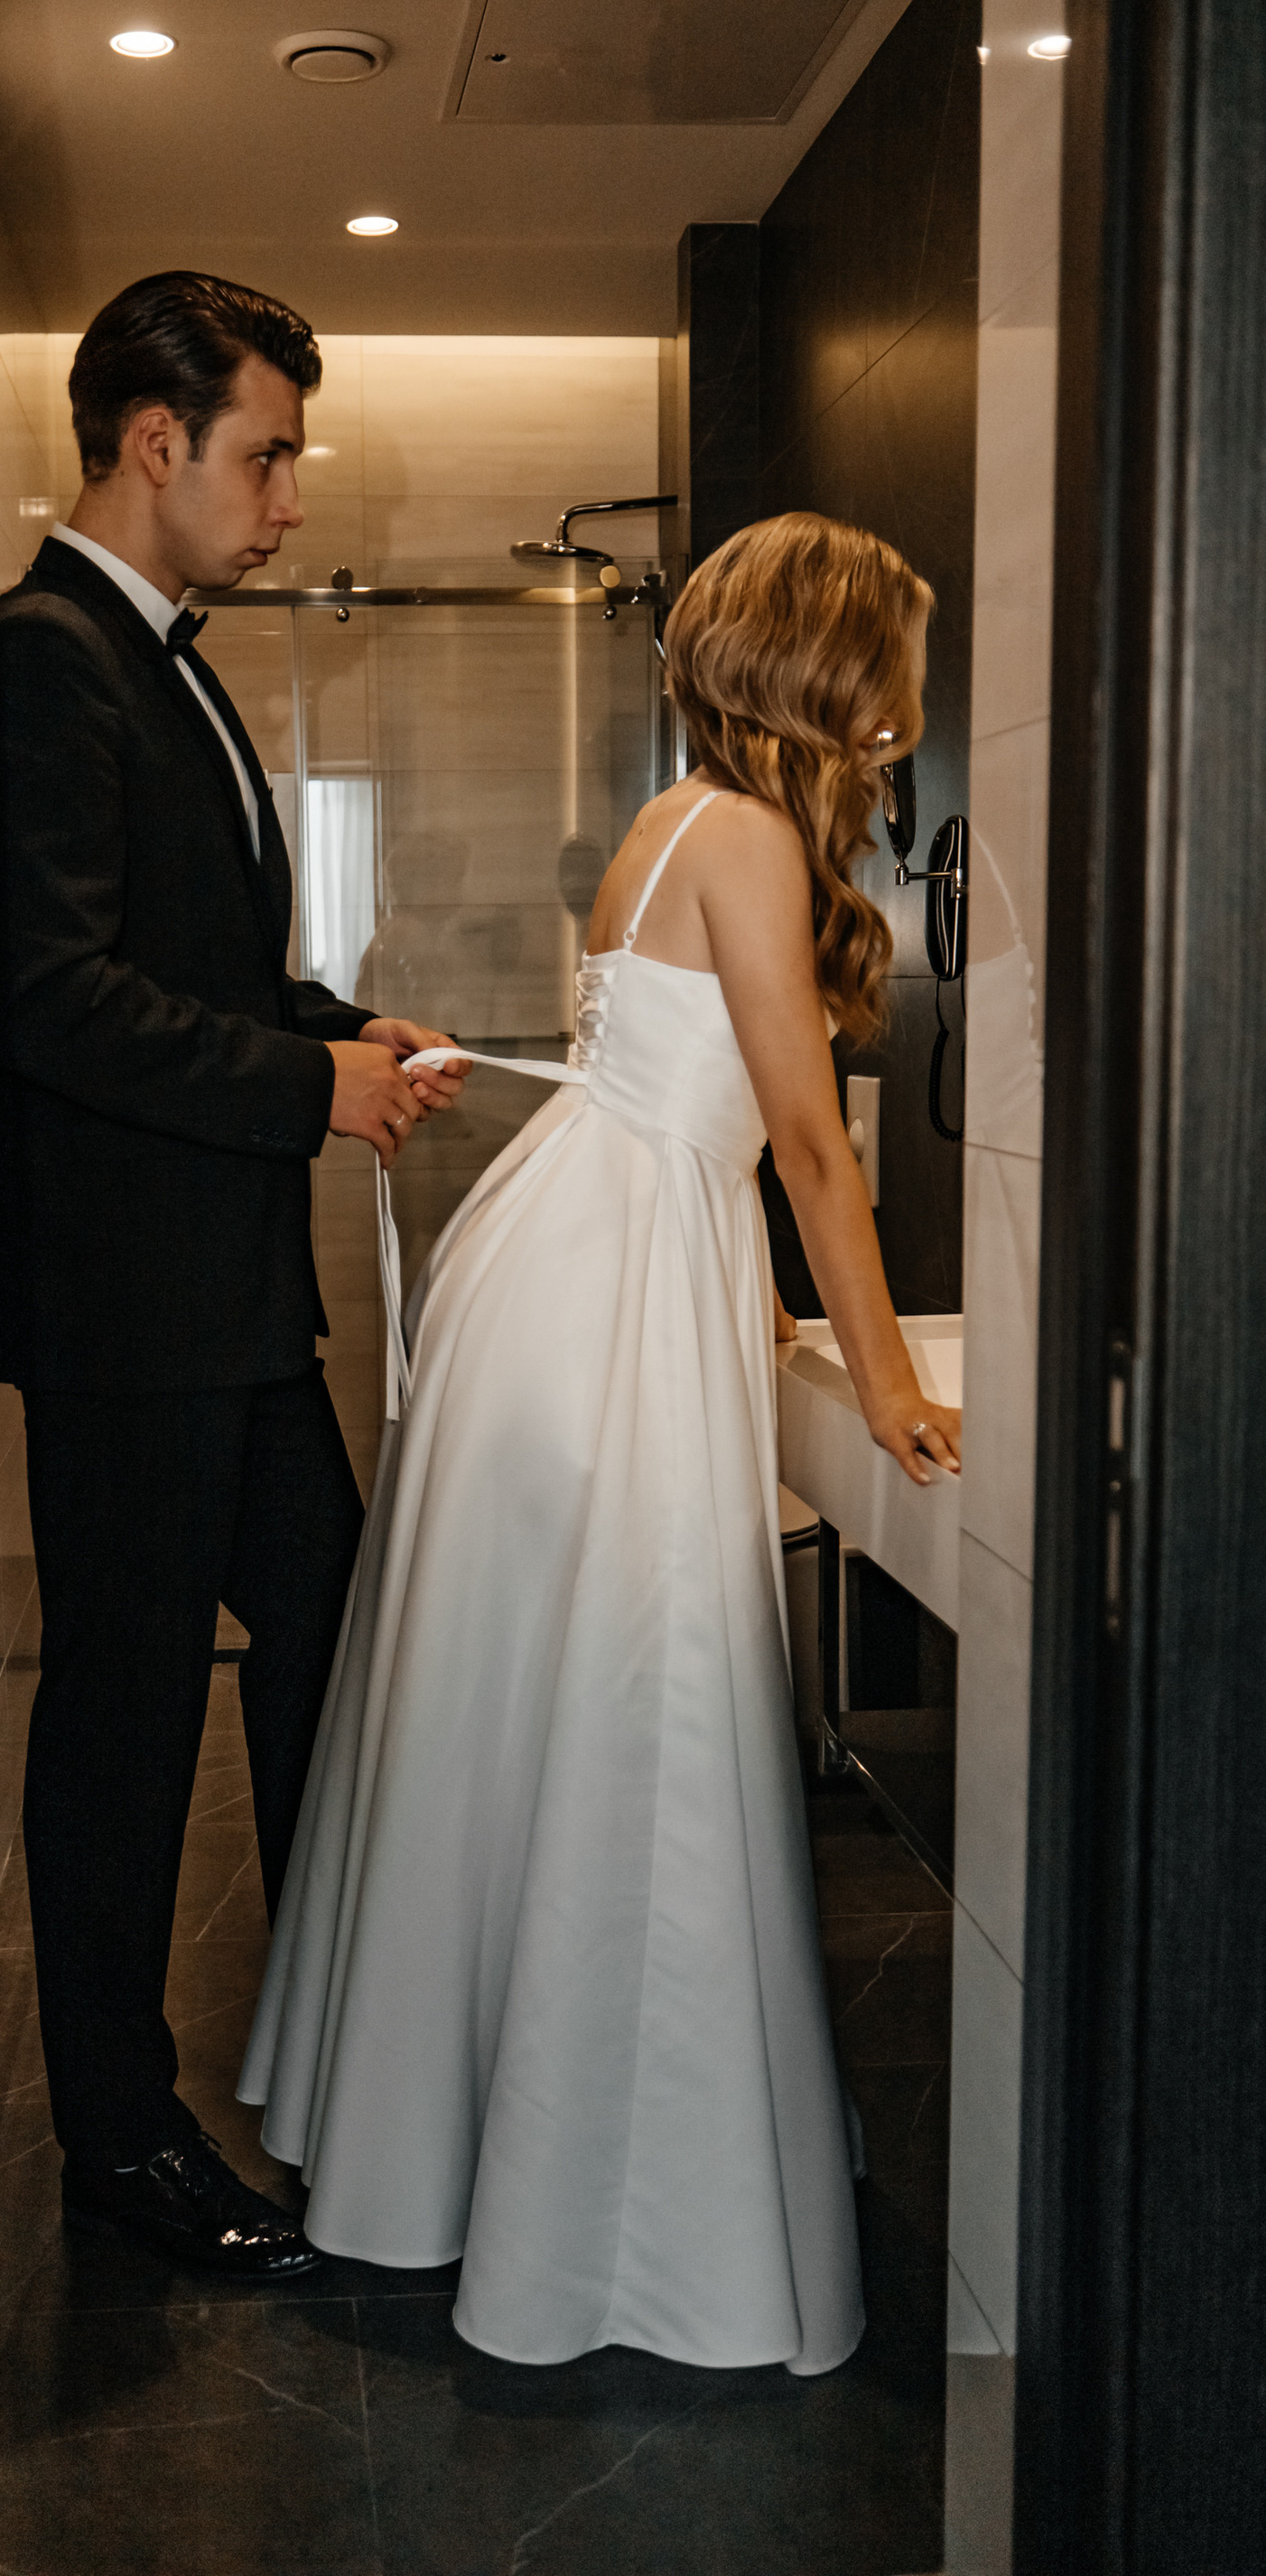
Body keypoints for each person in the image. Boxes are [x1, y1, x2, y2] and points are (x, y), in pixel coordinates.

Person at [240, 511, 962, 2370]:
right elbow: (806, 1144)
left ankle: (450, 2135)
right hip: (613, 1280)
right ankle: (617, 2210)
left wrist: (779, 1309)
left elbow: (686, 1103)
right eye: (893, 658)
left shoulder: (682, 819)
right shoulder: (746, 838)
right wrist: (889, 1385)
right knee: (635, 1704)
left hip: (571, 1252)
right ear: (830, 664)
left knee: (522, 1702)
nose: (906, 697)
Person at [0, 273, 464, 2276]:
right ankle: (117, 2135)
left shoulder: (158, 658)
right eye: (269, 453)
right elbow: (50, 998)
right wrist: (306, 1089)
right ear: (153, 441)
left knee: (332, 1630)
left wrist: (339, 1027)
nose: (290, 498)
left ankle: (333, 2038)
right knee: (128, 1714)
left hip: (219, 1298)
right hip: (127, 1305)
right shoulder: (39, 657)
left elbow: (197, 964)